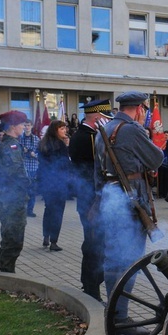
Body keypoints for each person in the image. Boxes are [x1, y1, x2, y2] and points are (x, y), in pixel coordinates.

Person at [95, 91, 163, 335]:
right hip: (131, 199)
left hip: (110, 198)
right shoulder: (132, 130)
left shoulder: (104, 129)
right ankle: (121, 319)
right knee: (130, 259)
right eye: (145, 109)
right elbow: (157, 159)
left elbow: (97, 172)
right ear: (139, 108)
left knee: (114, 257)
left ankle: (113, 312)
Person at [69, 99, 112, 301]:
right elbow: (99, 168)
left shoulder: (86, 136)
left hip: (89, 198)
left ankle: (91, 285)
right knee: (95, 245)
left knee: (95, 244)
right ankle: (91, 289)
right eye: (105, 118)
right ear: (97, 118)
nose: (108, 122)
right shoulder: (90, 138)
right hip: (91, 200)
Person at [0, 110, 30, 273]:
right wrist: (31, 185)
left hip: (8, 197)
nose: (24, 127)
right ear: (14, 126)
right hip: (12, 199)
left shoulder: (8, 144)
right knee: (13, 238)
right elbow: (16, 173)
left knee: (9, 236)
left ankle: (6, 268)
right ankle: (7, 272)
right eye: (22, 124)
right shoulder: (12, 146)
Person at [37, 120, 71, 251]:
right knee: (58, 212)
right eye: (62, 129)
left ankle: (46, 236)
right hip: (58, 183)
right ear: (55, 130)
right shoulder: (60, 145)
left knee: (48, 209)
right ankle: (54, 241)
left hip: (46, 182)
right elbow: (64, 164)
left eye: (65, 128)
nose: (65, 131)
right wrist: (67, 148)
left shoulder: (43, 143)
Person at [19, 120, 40, 217]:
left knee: (32, 191)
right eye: (25, 125)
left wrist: (33, 154)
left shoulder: (36, 139)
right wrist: (23, 151)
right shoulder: (19, 139)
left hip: (33, 168)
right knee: (23, 191)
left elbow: (40, 153)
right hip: (23, 168)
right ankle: (22, 210)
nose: (27, 127)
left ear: (32, 126)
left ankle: (30, 210)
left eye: (28, 125)